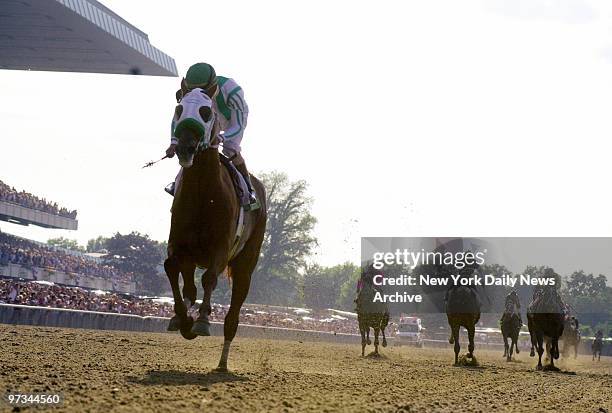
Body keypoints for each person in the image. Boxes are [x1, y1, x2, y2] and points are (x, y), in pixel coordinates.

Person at [165, 62, 259, 210]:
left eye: (202, 90)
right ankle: (178, 184)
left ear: (212, 87)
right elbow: (178, 118)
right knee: (193, 143)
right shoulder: (189, 93)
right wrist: (173, 142)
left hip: (230, 119)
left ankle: (248, 190)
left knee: (230, 148)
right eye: (192, 90)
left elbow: (238, 125)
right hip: (206, 117)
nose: (197, 93)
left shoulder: (233, 91)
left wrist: (222, 137)